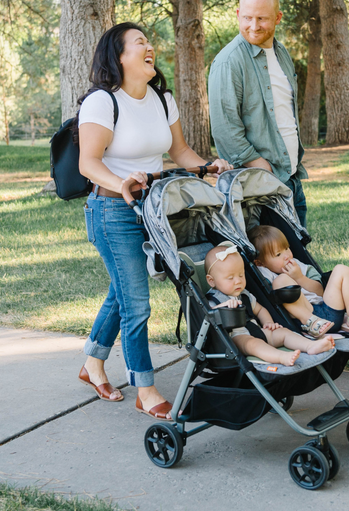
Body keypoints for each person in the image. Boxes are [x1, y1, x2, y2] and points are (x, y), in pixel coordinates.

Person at [77, 22, 232, 420]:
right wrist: (122, 183)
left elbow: (179, 151)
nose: (149, 47)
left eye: (149, 41)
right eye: (139, 42)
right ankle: (144, 387)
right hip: (111, 210)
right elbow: (88, 162)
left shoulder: (162, 98)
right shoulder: (101, 102)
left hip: (153, 209)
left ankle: (92, 364)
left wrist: (207, 165)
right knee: (137, 304)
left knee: (123, 292)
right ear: (119, 56)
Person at [208, 0, 310, 226]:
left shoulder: (281, 53)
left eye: (262, 19)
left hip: (290, 177)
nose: (253, 26)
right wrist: (262, 168)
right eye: (247, 18)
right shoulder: (229, 62)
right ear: (238, 14)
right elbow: (225, 131)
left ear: (278, 17)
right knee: (273, 260)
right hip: (259, 185)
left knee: (296, 260)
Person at [205, 243, 334, 366]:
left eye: (241, 275)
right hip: (237, 338)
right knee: (252, 344)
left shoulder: (245, 294)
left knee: (283, 333)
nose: (238, 281)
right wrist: (222, 307)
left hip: (257, 330)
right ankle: (281, 357)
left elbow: (260, 310)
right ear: (211, 281)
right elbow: (207, 316)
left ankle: (310, 346)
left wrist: (268, 323)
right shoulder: (214, 299)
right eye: (230, 278)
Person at [248, 225, 349, 339]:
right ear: (260, 263)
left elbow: (320, 291)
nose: (286, 255)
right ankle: (311, 321)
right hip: (305, 319)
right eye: (278, 254)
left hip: (328, 310)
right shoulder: (264, 273)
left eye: (287, 248)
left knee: (343, 269)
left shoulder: (300, 266)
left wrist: (299, 278)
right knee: (280, 281)